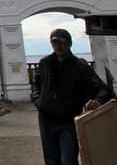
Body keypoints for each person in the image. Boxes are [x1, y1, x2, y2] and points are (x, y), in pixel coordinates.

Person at [31, 27, 110, 165]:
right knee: (51, 161)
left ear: (69, 43)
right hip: (46, 119)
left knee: (68, 160)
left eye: (62, 42)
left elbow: (102, 89)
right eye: (55, 43)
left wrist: (97, 101)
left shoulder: (80, 66)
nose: (58, 46)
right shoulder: (45, 63)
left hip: (68, 120)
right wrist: (38, 101)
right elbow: (36, 85)